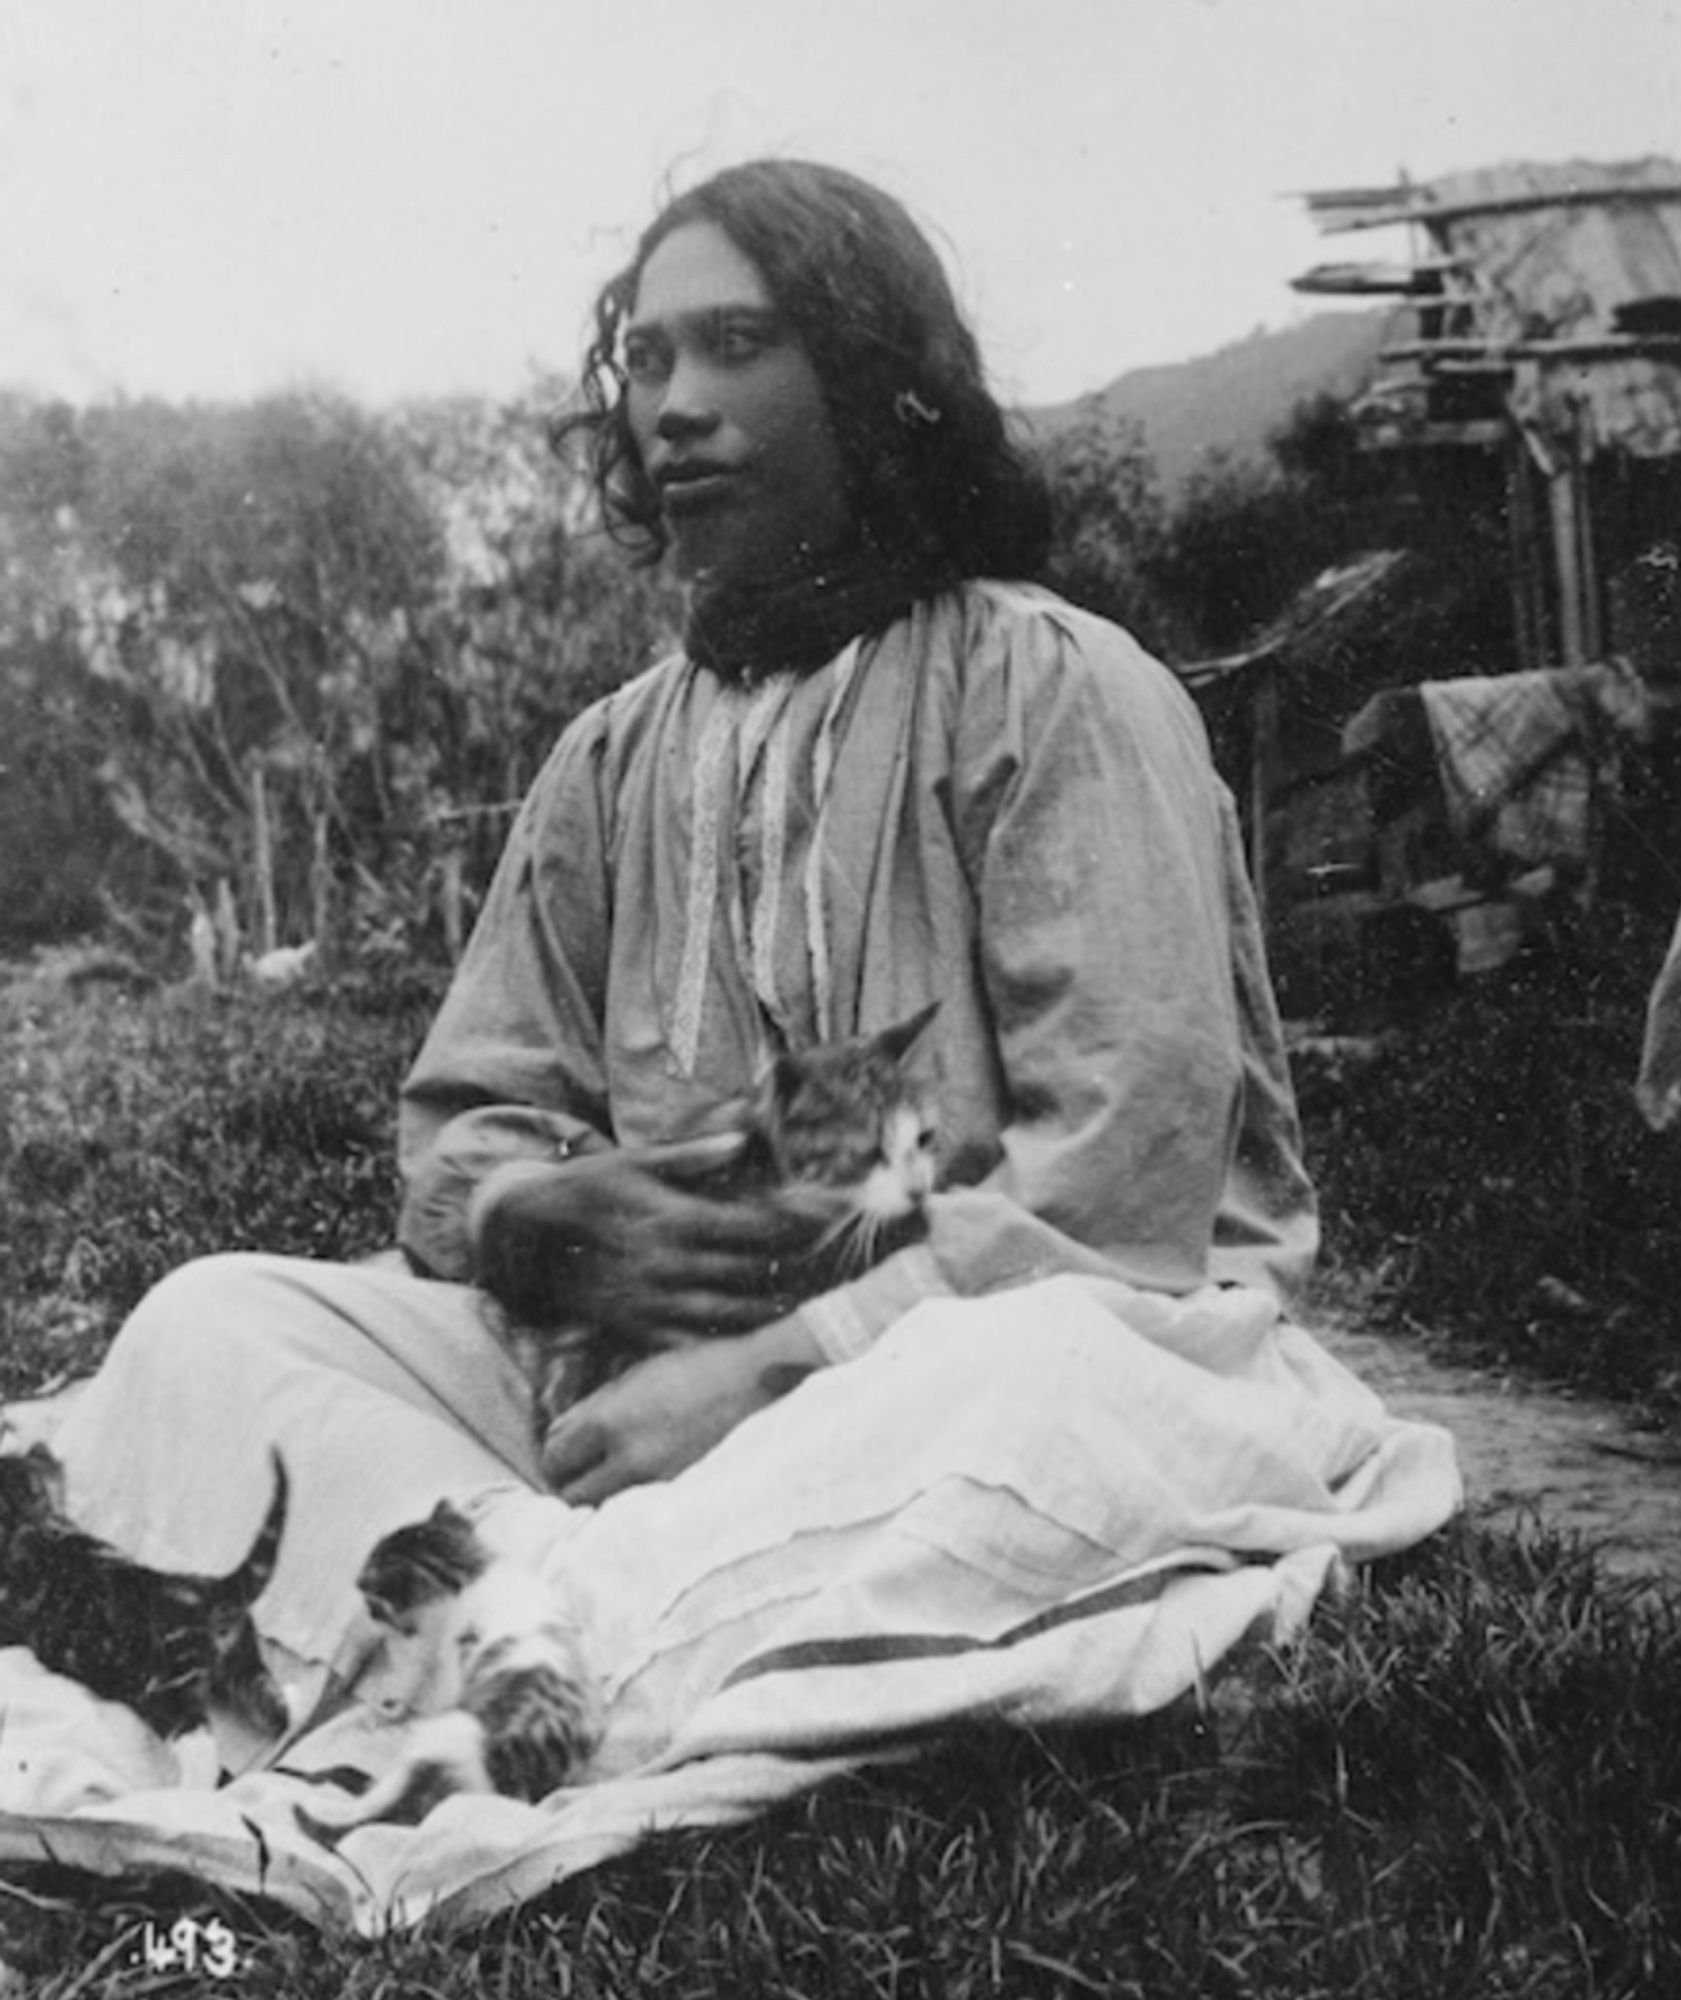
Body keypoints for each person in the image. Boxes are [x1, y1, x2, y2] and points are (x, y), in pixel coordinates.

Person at [41, 157, 1319, 1697]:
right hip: (624, 1374)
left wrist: (774, 1366)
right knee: (213, 1320)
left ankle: (518, 1615)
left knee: (1044, 1394)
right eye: (644, 361)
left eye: (736, 344)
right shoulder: (614, 754)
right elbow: (475, 1113)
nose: (673, 406)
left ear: (875, 381)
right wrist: (538, 1223)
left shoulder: (1056, 688)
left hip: (965, 1343)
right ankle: (590, 1602)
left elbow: (1121, 1174)